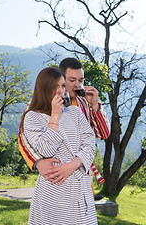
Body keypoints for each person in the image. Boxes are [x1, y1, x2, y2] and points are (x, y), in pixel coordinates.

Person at [18, 58, 110, 192]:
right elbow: (23, 138)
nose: (77, 85)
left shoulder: (84, 103)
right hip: (56, 177)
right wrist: (37, 162)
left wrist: (94, 105)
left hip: (82, 174)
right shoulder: (38, 106)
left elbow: (103, 134)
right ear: (60, 79)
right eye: (72, 81)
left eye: (81, 81)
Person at [21, 67, 97, 224]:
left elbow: (90, 144)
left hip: (80, 189)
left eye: (62, 86)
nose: (60, 91)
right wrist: (54, 116)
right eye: (55, 87)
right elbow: (46, 150)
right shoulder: (32, 117)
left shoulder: (75, 113)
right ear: (44, 89)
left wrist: (74, 164)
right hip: (54, 189)